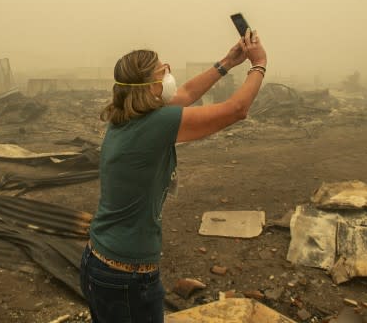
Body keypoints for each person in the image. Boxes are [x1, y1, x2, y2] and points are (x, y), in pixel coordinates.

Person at [80, 28, 267, 322]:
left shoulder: (125, 115)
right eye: (162, 70)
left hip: (98, 264)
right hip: (127, 278)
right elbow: (236, 109)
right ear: (148, 86)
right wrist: (258, 64)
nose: (169, 76)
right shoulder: (156, 124)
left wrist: (227, 63)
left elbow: (188, 93)